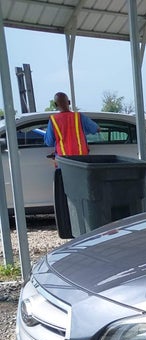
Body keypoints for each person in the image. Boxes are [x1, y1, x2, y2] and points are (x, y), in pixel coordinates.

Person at [44, 92, 98, 238]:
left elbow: (48, 142)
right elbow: (96, 129)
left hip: (64, 163)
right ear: (68, 102)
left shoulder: (53, 120)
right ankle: (85, 226)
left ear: (55, 105)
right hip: (82, 162)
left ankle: (72, 227)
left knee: (68, 196)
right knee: (84, 195)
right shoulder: (79, 117)